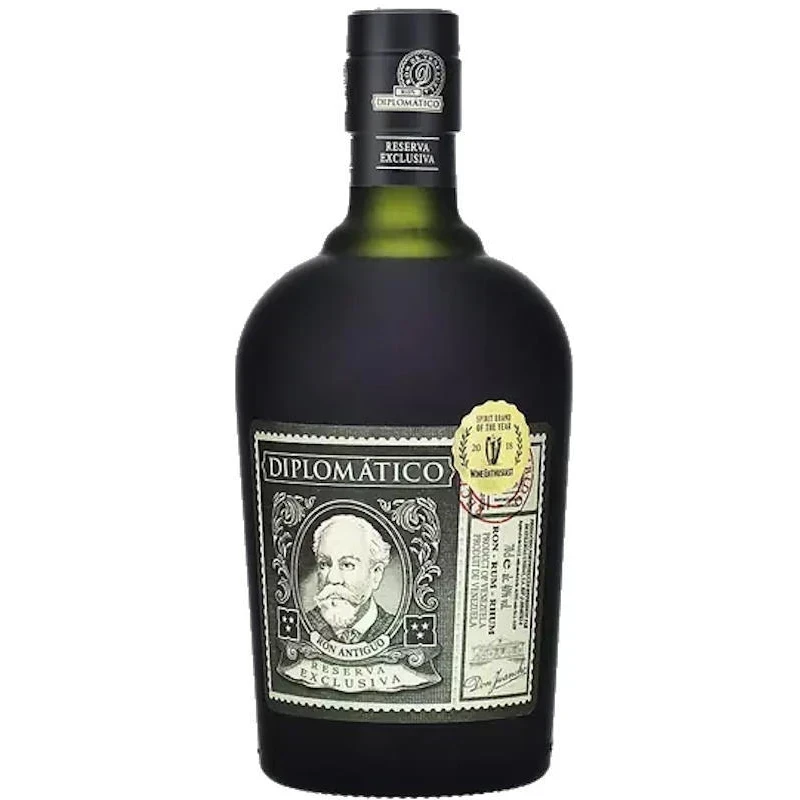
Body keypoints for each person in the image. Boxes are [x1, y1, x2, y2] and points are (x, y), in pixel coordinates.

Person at [307, 514, 393, 643]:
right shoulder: (303, 625)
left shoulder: (399, 630)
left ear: (376, 574)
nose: (332, 578)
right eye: (324, 564)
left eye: (347, 565)